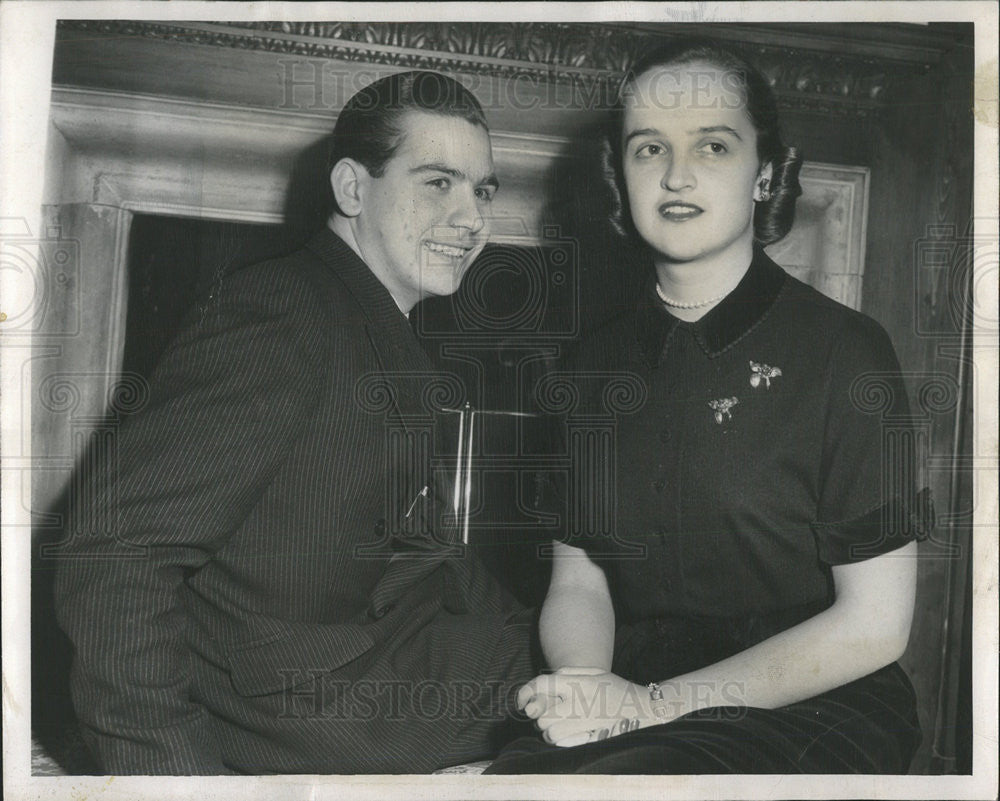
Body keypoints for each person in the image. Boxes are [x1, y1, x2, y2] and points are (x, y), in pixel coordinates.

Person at [54, 70, 536, 775]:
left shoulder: (372, 324)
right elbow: (113, 555)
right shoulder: (283, 309)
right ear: (351, 189)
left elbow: (426, 553)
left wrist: (548, 643)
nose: (472, 219)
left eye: (483, 189)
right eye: (439, 183)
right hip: (318, 708)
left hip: (398, 663)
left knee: (636, 668)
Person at [486, 40, 928, 774]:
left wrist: (650, 705)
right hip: (634, 683)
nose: (677, 174)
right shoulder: (589, 366)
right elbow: (579, 577)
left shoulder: (846, 351)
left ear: (765, 173)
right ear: (619, 174)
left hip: (809, 702)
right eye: (649, 147)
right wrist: (589, 685)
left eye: (713, 145)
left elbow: (876, 624)